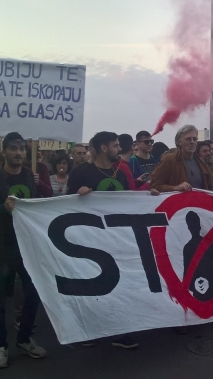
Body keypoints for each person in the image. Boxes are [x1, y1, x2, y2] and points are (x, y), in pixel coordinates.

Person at [66, 132, 145, 348]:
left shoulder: (119, 174)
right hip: (89, 241)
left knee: (118, 287)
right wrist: (78, 195)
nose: (119, 149)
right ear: (103, 148)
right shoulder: (81, 173)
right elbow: (64, 205)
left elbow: (129, 201)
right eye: (115, 145)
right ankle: (86, 330)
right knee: (91, 287)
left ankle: (117, 331)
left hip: (115, 240)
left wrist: (150, 195)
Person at [0, 132, 46, 368]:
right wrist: (2, 208)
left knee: (32, 294)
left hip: (25, 247)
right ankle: (1, 346)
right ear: (4, 151)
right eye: (14, 149)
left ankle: (24, 338)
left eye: (22, 149)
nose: (18, 153)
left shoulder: (28, 175)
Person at [151, 125, 211, 192]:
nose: (192, 142)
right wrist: (174, 188)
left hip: (199, 201)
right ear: (179, 142)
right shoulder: (169, 160)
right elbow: (154, 186)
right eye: (188, 139)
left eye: (194, 139)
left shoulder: (202, 163)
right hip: (177, 201)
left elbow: (209, 188)